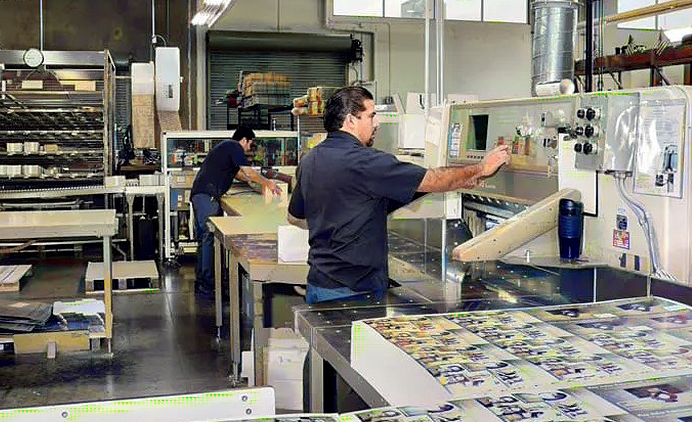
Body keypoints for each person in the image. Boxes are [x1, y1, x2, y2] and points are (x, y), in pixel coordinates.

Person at [287, 86, 509, 303]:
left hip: (319, 285)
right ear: (351, 120)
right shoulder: (366, 161)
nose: (377, 123)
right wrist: (482, 168)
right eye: (371, 116)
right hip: (354, 291)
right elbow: (431, 179)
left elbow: (296, 216)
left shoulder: (310, 160)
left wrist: (336, 219)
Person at [190, 126, 281, 297]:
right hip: (207, 197)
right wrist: (267, 182)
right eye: (250, 144)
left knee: (205, 239)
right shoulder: (234, 146)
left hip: (202, 195)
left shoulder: (226, 148)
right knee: (209, 238)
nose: (248, 149)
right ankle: (208, 287)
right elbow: (247, 172)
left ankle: (203, 283)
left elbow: (240, 174)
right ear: (244, 140)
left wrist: (255, 182)